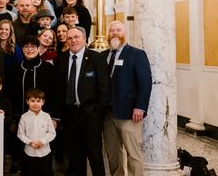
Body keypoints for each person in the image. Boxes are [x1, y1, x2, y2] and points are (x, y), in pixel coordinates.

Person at [102, 21, 152, 176]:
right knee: (113, 154)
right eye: (112, 30)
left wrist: (140, 106)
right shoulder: (103, 56)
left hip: (130, 113)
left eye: (118, 30)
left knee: (133, 153)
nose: (115, 33)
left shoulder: (136, 54)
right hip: (107, 113)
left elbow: (145, 82)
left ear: (125, 33)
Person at [58, 26, 110, 176]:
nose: (73, 40)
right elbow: (59, 88)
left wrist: (98, 111)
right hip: (70, 114)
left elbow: (105, 87)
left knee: (94, 155)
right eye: (70, 38)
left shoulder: (96, 58)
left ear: (84, 39)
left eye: (77, 37)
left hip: (91, 115)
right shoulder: (61, 59)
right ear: (66, 41)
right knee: (76, 156)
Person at [17, 88, 56, 176]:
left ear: (43, 102)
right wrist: (30, 142)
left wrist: (42, 142)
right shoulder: (24, 117)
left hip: (44, 152)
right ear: (27, 101)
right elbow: (20, 134)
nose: (35, 104)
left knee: (45, 173)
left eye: (38, 101)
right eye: (32, 101)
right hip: (29, 152)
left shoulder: (46, 116)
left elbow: (52, 133)